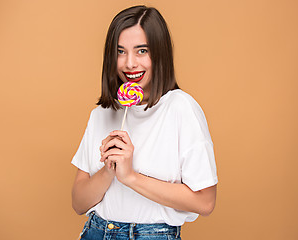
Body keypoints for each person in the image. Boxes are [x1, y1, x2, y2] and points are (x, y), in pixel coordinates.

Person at [71, 5, 218, 240]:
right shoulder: (101, 113)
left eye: (142, 51)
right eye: (120, 51)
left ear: (160, 53)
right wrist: (109, 170)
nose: (130, 63)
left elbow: (205, 201)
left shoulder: (180, 108)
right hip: (96, 232)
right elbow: (79, 203)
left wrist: (130, 177)